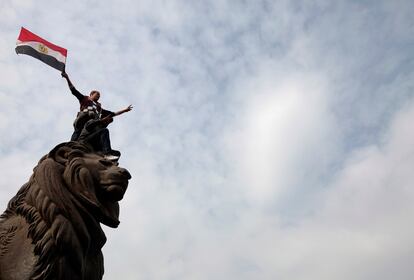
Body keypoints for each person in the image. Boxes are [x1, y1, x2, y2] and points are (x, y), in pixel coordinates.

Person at [61, 71, 132, 160]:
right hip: (84, 119)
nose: (98, 96)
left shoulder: (99, 108)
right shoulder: (85, 99)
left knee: (99, 131)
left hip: (93, 123)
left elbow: (112, 114)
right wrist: (67, 78)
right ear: (91, 94)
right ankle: (70, 149)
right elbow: (73, 90)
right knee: (77, 134)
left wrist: (125, 110)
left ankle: (102, 152)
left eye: (99, 95)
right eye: (97, 94)